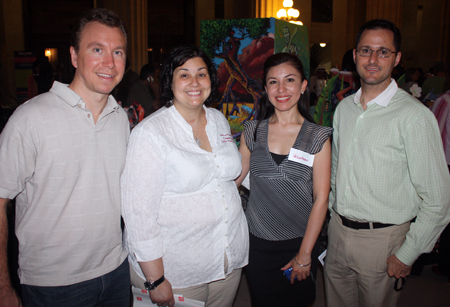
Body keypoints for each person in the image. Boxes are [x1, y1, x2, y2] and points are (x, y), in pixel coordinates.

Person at [0, 8, 130, 307]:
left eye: (118, 52)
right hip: (53, 284)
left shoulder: (120, 118)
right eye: (97, 49)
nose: (109, 63)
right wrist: (3, 287)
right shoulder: (30, 118)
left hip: (116, 271)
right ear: (74, 56)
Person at [324, 19, 450, 307]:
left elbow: (439, 199)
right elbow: (336, 172)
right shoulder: (344, 109)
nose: (372, 59)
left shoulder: (414, 117)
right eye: (366, 50)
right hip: (339, 234)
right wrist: (333, 217)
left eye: (383, 52)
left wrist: (408, 253)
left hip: (383, 240)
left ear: (397, 58)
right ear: (355, 55)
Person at [121, 45, 249, 307]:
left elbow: (224, 175)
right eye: (184, 74)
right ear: (169, 80)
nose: (194, 82)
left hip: (228, 260)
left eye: (201, 74)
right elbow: (138, 213)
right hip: (177, 271)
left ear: (211, 80)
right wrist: (155, 279)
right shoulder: (151, 133)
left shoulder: (218, 120)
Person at [236, 53, 332, 307]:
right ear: (265, 88)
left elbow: (321, 199)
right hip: (257, 245)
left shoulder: (318, 137)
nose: (281, 89)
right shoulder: (252, 131)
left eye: (289, 80)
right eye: (273, 82)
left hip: (299, 243)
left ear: (303, 86)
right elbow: (233, 181)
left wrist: (304, 254)